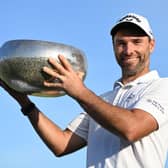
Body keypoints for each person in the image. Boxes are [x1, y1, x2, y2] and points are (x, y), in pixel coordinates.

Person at [1, 13, 168, 168]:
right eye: (121, 43)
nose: (128, 50)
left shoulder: (162, 87)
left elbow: (132, 128)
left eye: (136, 41)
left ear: (151, 45)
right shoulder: (103, 101)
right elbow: (61, 144)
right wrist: (25, 102)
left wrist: (80, 92)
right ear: (113, 47)